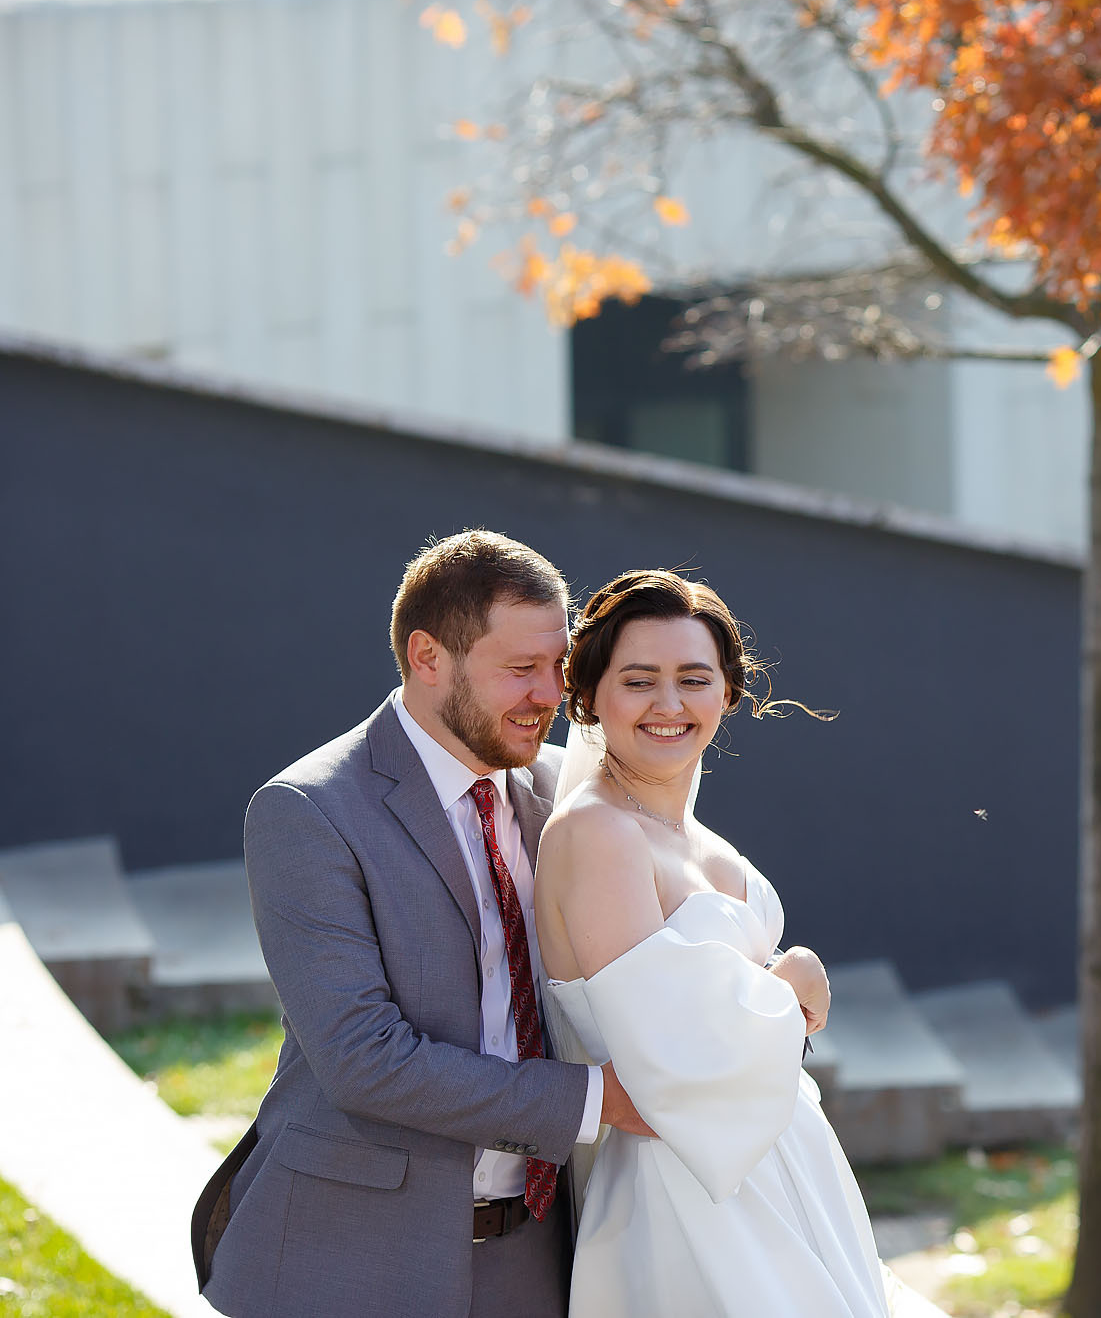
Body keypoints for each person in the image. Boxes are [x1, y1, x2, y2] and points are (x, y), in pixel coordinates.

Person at [191, 531, 784, 1317]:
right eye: (520, 670)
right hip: (350, 1258)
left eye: (558, 666)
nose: (551, 694)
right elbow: (364, 1060)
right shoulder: (309, 811)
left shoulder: (567, 796)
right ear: (428, 657)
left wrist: (782, 990)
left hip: (537, 1253)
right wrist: (593, 1100)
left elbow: (668, 964)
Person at [536, 569, 913, 1317]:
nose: (669, 704)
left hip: (786, 1167)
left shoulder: (705, 842)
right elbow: (668, 1055)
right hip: (688, 1191)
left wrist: (769, 984)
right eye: (639, 680)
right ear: (588, 695)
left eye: (694, 679)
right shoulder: (595, 832)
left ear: (729, 693)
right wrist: (792, 974)